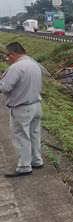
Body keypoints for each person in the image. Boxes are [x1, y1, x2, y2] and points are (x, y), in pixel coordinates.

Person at [0, 42, 43, 177]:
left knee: (21, 136)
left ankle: (24, 166)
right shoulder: (34, 64)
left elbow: (5, 88)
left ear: (13, 53)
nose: (7, 59)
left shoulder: (16, 67)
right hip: (36, 105)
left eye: (8, 56)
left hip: (22, 108)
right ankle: (36, 160)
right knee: (34, 135)